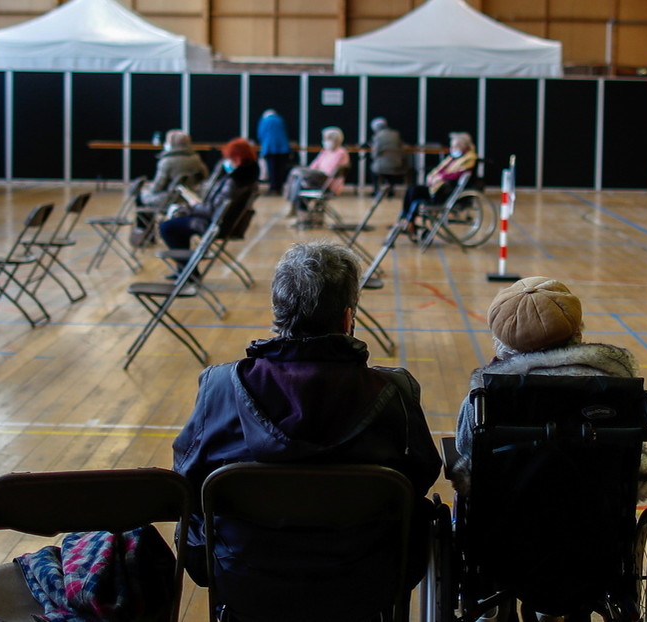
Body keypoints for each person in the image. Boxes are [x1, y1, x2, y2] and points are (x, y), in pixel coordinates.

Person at [172, 241, 442, 598]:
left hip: (245, 577)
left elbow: (186, 477)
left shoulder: (220, 386)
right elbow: (420, 475)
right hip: (364, 580)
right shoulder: (395, 391)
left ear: (277, 314)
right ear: (348, 319)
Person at [453, 277, 647, 500]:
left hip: (508, 509)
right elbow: (628, 452)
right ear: (578, 333)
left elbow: (466, 446)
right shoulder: (615, 383)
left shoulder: (488, 392)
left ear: (503, 344)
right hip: (596, 509)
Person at [157, 137, 258, 259]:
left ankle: (187, 269)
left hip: (213, 224)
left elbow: (212, 210)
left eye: (228, 158)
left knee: (167, 227)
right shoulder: (247, 179)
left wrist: (195, 205)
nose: (226, 161)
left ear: (237, 158)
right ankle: (187, 270)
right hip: (223, 222)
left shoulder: (233, 182)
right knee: (178, 222)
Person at [132, 130, 208, 243]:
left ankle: (146, 234)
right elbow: (205, 176)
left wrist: (147, 190)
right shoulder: (196, 159)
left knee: (141, 198)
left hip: (169, 199)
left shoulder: (167, 161)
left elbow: (157, 187)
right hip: (189, 197)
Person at [400, 132, 477, 237]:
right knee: (411, 189)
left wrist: (441, 177)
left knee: (417, 199)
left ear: (463, 146)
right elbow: (440, 169)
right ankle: (405, 219)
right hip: (437, 187)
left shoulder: (469, 158)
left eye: (455, 146)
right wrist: (433, 175)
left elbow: (457, 174)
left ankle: (409, 222)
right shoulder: (453, 158)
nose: (452, 148)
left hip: (446, 191)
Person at [283, 126, 350, 225]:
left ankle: (294, 208)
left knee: (298, 175)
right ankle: (300, 213)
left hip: (328, 183)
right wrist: (310, 171)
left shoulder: (341, 153)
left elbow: (330, 171)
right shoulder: (325, 151)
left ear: (335, 140)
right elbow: (314, 165)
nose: (324, 141)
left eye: (327, 139)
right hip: (317, 178)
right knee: (298, 179)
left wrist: (312, 171)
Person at [368, 117, 410, 194]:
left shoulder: (377, 137)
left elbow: (375, 154)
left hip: (381, 166)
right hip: (397, 163)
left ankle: (376, 190)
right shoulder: (396, 134)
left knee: (374, 169)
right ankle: (391, 189)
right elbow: (402, 148)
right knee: (390, 172)